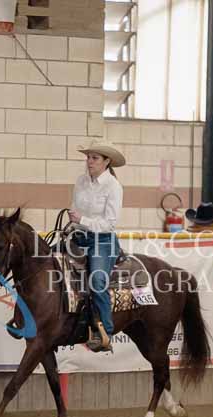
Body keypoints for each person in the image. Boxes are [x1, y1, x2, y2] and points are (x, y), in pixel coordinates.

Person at [68, 139, 125, 352]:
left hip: (102, 240)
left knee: (98, 279)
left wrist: (82, 220)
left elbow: (109, 223)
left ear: (106, 161)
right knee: (47, 261)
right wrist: (73, 223)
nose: (89, 161)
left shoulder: (113, 186)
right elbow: (75, 208)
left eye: (94, 158)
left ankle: (105, 332)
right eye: (88, 157)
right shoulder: (81, 181)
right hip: (79, 235)